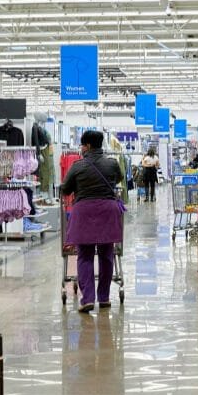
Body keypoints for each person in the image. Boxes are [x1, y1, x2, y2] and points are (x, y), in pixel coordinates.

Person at [61, 130, 124, 313]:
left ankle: (88, 298)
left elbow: (66, 189)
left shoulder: (77, 165)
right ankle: (104, 297)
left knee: (85, 255)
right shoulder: (112, 163)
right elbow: (118, 178)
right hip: (108, 211)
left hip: (84, 212)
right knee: (107, 255)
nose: (81, 148)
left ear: (87, 146)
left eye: (82, 145)